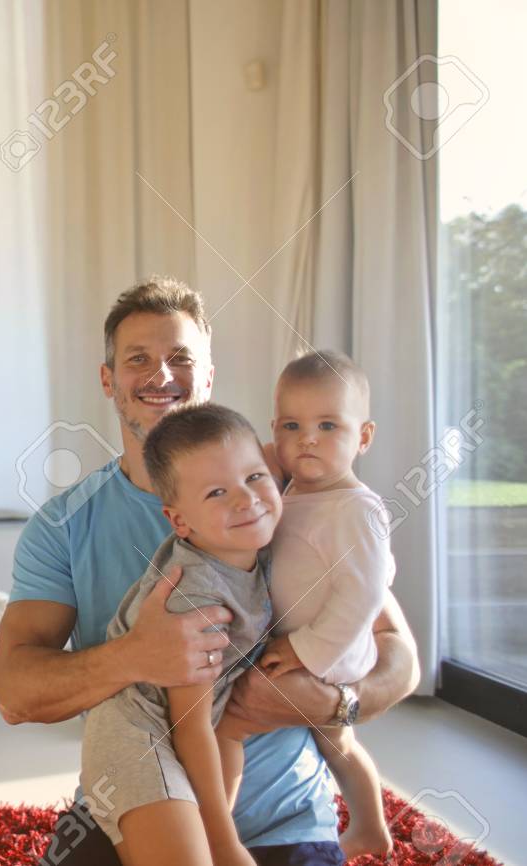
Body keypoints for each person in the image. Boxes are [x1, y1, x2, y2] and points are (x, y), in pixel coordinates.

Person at [0, 277, 420, 865]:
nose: (160, 376)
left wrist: (331, 703)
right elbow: (14, 694)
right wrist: (135, 655)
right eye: (138, 359)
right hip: (134, 804)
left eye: (181, 359)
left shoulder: (288, 492)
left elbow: (397, 651)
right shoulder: (65, 526)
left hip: (284, 819)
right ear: (108, 379)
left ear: (209, 375)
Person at [80, 404, 281, 866]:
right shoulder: (196, 598)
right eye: (216, 492)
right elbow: (188, 727)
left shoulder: (251, 552)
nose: (246, 499)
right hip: (137, 737)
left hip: (195, 732)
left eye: (255, 477)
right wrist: (226, 843)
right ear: (180, 522)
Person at [219, 350, 396, 859]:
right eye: (293, 426)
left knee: (235, 724)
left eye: (328, 425)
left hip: (329, 652)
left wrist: (304, 649)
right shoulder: (292, 494)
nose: (308, 439)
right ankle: (369, 827)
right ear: (274, 432)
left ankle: (221, 829)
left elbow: (363, 594)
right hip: (300, 640)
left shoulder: (356, 507)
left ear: (363, 437)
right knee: (335, 745)